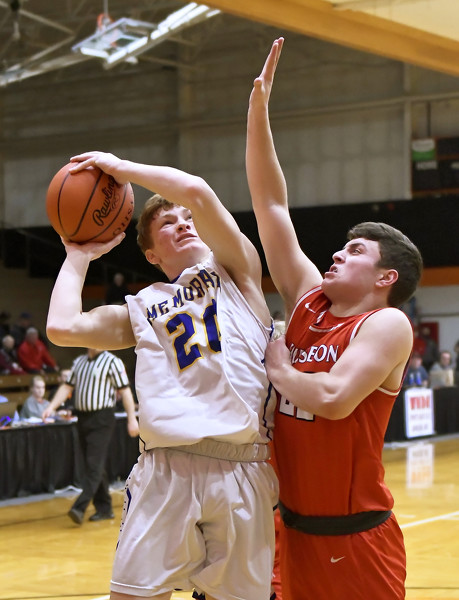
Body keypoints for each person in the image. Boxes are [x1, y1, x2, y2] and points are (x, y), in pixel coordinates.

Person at [45, 151, 278, 600]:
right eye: (168, 224)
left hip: (242, 466)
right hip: (164, 467)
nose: (184, 223)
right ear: (151, 253)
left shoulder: (236, 271)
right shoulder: (141, 307)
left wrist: (120, 168)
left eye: (188, 219)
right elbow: (62, 326)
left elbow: (195, 191)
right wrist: (77, 254)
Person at [246, 37, 423, 600]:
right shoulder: (306, 299)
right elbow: (271, 206)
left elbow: (334, 398)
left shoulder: (388, 325)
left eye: (355, 252)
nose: (338, 254)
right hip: (290, 531)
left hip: (356, 540)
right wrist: (258, 115)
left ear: (385, 278)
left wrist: (280, 367)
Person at [42, 348, 139, 525]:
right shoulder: (79, 362)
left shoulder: (112, 362)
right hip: (83, 418)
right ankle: (104, 509)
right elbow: (67, 386)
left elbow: (125, 391)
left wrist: (132, 419)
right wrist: (52, 407)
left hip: (102, 418)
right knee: (92, 464)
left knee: (93, 463)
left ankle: (79, 506)